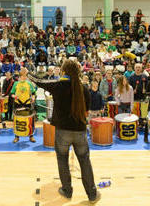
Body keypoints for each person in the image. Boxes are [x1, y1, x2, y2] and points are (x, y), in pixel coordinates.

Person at [27, 60, 100, 203]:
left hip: (62, 132)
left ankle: (67, 191)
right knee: (85, 162)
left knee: (62, 161)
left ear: (64, 71)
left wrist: (27, 73)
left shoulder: (58, 85)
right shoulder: (83, 88)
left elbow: (40, 81)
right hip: (80, 132)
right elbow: (86, 111)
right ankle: (92, 195)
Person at [10, 67, 36, 143]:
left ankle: (31, 136)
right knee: (17, 120)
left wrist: (33, 98)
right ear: (20, 76)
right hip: (18, 103)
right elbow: (11, 93)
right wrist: (14, 96)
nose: (25, 77)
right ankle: (16, 136)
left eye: (26, 76)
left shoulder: (29, 83)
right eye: (23, 76)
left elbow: (33, 93)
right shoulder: (16, 84)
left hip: (27, 103)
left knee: (30, 120)